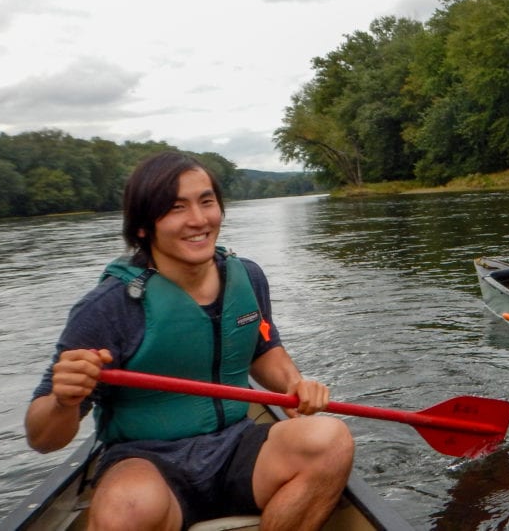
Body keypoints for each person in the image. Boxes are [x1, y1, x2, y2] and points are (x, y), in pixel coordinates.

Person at [24, 152, 355, 531]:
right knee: (125, 508)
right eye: (176, 207)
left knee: (331, 440)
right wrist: (65, 401)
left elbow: (263, 349)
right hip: (147, 460)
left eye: (206, 201)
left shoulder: (247, 276)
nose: (198, 220)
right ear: (144, 226)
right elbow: (42, 438)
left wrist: (294, 384)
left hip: (236, 445)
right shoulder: (106, 308)